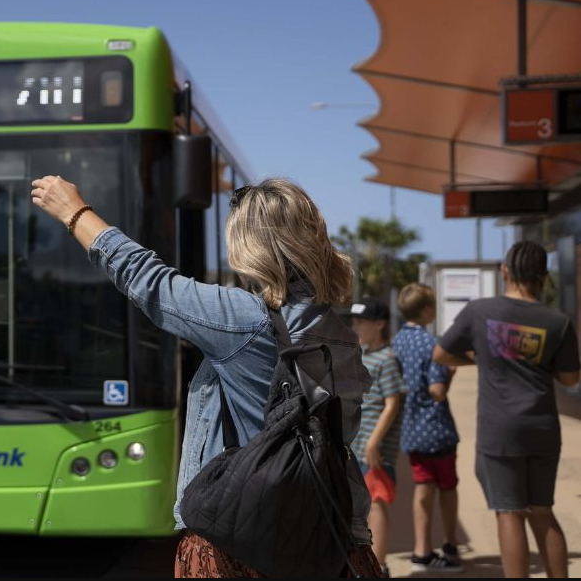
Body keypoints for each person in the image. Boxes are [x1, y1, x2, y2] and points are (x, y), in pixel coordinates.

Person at [30, 175, 382, 577]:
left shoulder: (247, 321)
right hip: (331, 537)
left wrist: (74, 212)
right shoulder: (341, 335)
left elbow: (150, 281)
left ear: (251, 246)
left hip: (243, 539)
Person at [434, 241, 581, 579]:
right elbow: (570, 377)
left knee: (510, 512)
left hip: (499, 430)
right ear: (544, 276)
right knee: (543, 511)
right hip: (543, 429)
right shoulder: (558, 321)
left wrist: (480, 359)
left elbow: (441, 354)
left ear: (504, 271)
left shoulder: (480, 311)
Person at [391, 283, 463, 573]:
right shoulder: (431, 344)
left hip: (410, 429)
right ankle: (449, 544)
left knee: (422, 487)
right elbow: (437, 392)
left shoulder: (397, 342)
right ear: (425, 310)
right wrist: (449, 376)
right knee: (447, 487)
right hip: (437, 428)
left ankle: (421, 550)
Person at [344, 297, 405, 578]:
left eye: (361, 322)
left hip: (374, 449)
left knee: (377, 503)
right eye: (354, 321)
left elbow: (392, 403)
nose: (355, 327)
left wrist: (373, 441)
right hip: (358, 446)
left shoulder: (388, 359)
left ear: (379, 324)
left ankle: (379, 566)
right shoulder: (363, 355)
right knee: (364, 504)